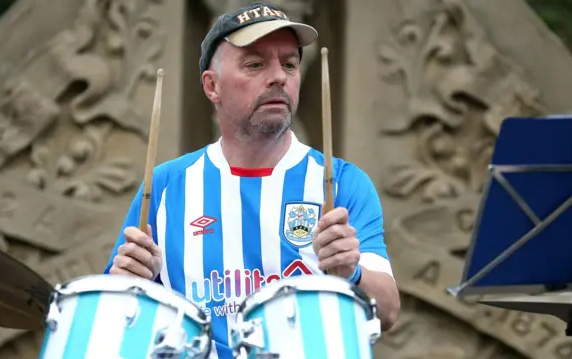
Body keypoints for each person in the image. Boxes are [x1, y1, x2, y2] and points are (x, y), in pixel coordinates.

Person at [104, 2, 400, 358]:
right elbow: (113, 324)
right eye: (255, 64)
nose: (278, 76)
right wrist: (124, 289)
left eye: (290, 64)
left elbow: (388, 312)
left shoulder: (341, 183)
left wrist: (351, 273)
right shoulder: (166, 185)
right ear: (212, 86)